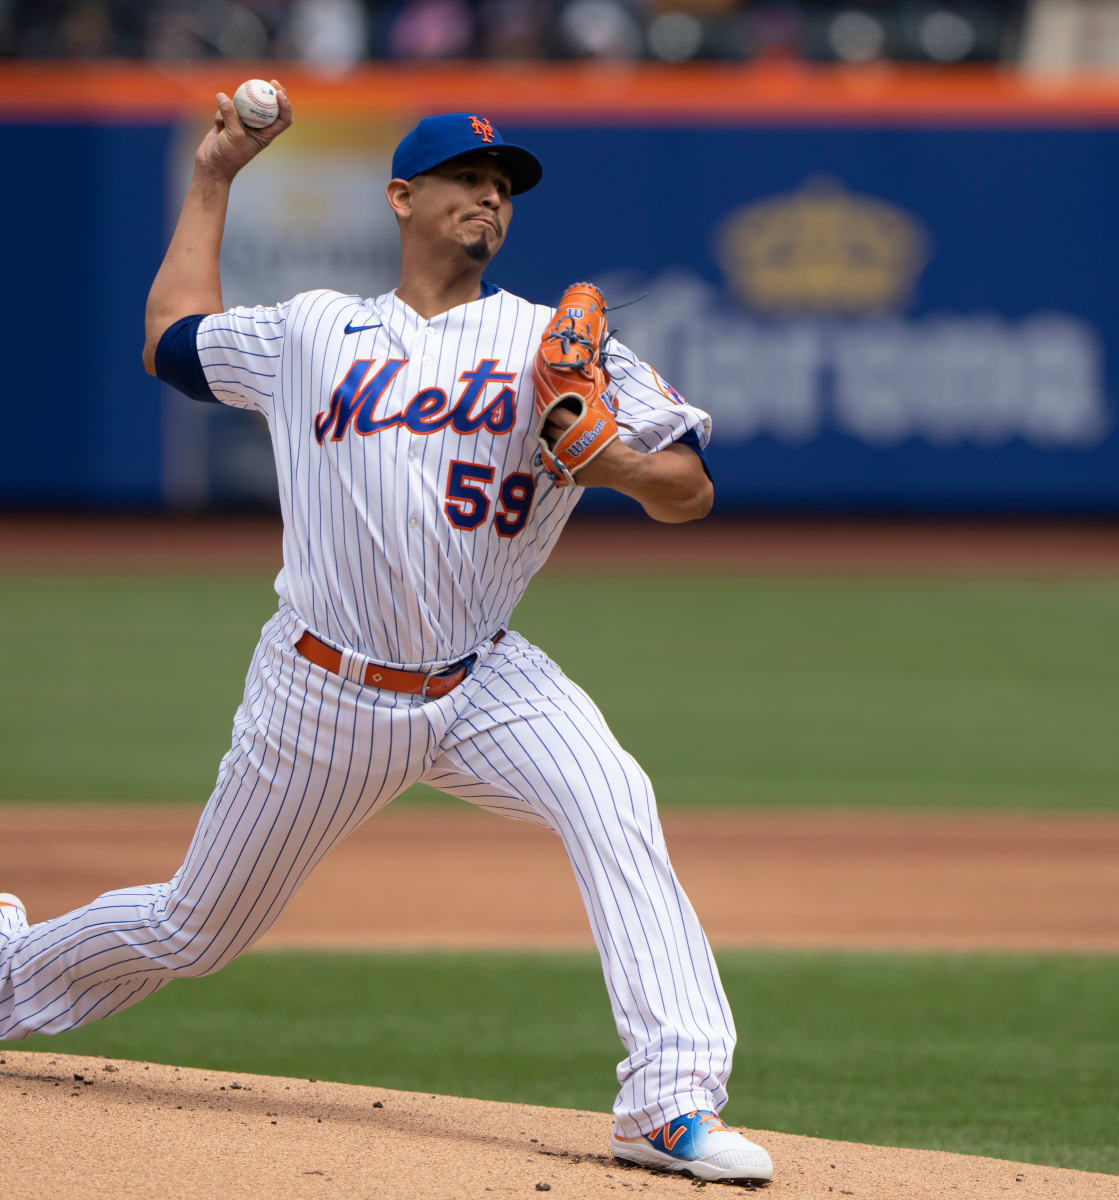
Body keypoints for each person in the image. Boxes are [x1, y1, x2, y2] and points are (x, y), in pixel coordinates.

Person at [0, 87, 773, 1184]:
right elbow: (169, 343)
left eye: (503, 187)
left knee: (614, 802)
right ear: (402, 197)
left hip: (487, 676)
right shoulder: (313, 330)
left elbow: (689, 489)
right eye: (467, 179)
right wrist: (215, 175)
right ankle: (7, 974)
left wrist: (615, 465)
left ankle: (670, 1102)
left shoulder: (553, 344)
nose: (489, 199)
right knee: (194, 929)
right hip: (322, 688)